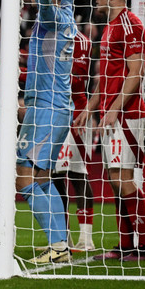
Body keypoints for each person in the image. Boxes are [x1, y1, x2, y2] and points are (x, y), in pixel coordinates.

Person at [73, 0, 145, 262]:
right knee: (113, 177)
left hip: (127, 114)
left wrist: (115, 109)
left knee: (123, 178)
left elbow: (136, 74)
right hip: (110, 114)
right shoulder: (109, 27)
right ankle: (125, 245)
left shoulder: (131, 25)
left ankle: (144, 246)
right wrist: (90, 108)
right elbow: (105, 78)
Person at [15, 0, 76, 264]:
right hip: (53, 107)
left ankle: (59, 245)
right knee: (41, 178)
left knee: (24, 179)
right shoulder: (67, 13)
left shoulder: (53, 19)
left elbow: (47, 2)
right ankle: (60, 245)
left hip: (46, 109)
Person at [51, 26, 96, 252]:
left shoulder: (82, 41)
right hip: (53, 113)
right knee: (55, 176)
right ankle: (63, 237)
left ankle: (86, 238)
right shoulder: (48, 37)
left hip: (77, 113)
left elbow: (76, 81)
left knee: (79, 174)